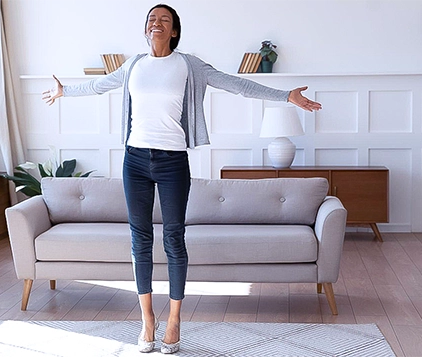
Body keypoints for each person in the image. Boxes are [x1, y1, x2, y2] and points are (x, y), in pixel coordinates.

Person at [42, 4, 321, 354]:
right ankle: (147, 320)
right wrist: (64, 91)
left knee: (174, 237)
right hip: (135, 160)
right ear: (146, 30)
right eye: (151, 19)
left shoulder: (190, 66)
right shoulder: (133, 66)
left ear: (174, 31)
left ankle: (173, 320)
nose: (156, 23)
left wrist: (285, 96)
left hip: (173, 161)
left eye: (164, 20)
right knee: (139, 239)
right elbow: (99, 86)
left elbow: (236, 85)